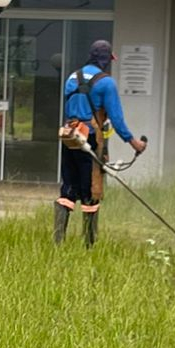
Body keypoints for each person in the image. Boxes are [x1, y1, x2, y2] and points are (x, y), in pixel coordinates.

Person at [54, 40, 146, 246]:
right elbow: (116, 118)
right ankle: (89, 245)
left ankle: (58, 241)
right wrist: (134, 143)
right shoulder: (106, 83)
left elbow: (70, 106)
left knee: (68, 188)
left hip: (69, 135)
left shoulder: (72, 77)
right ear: (106, 60)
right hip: (89, 137)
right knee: (92, 188)